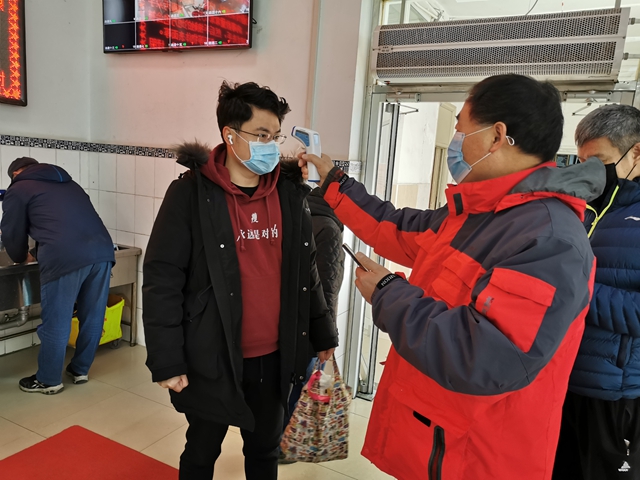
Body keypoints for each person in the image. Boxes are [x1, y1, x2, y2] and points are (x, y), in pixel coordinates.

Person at [301, 74, 605, 480]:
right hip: (435, 441)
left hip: (479, 457)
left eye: (461, 127)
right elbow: (396, 227)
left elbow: (486, 356)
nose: (456, 140)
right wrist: (333, 184)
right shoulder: (477, 213)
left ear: (496, 136)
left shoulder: (548, 239)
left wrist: (389, 293)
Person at [142, 81, 338, 480]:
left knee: (265, 451)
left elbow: (307, 273)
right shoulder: (191, 195)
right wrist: (166, 358)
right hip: (212, 354)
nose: (271, 146)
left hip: (276, 356)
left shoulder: (289, 194)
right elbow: (162, 278)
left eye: (276, 137)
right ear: (230, 135)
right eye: (261, 135)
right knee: (202, 450)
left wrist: (323, 334)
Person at [552, 105, 640, 480]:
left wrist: (575, 290)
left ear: (636, 153)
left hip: (614, 394)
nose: (591, 173)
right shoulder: (585, 209)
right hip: (561, 380)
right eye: (583, 162)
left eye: (600, 162)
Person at [0, 157, 114, 395]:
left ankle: (49, 380)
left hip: (65, 257)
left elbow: (12, 231)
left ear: (16, 173)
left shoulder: (19, 188)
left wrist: (20, 256)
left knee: (57, 320)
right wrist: (35, 252)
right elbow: (62, 224)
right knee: (93, 316)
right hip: (102, 250)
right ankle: (80, 370)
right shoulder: (70, 184)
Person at [277, 161, 346, 465]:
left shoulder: (299, 214)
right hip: (310, 324)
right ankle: (287, 444)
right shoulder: (328, 228)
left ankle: (280, 439)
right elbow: (325, 286)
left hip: (288, 321)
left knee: (289, 386)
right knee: (303, 388)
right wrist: (327, 333)